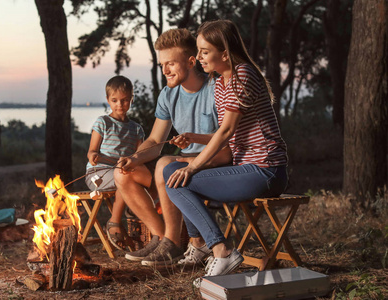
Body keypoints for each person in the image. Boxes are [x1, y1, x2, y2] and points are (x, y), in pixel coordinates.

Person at [163, 19, 288, 282]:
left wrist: (194, 166)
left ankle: (220, 250)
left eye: (204, 52)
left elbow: (227, 131)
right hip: (245, 169)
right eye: (198, 51)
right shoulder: (220, 83)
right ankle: (215, 248)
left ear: (225, 52)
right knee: (172, 170)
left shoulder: (243, 74)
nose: (197, 57)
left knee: (178, 180)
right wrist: (193, 137)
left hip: (266, 171)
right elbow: (226, 136)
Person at [114, 28, 230, 266]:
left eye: (171, 64)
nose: (165, 70)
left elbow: (227, 146)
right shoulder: (168, 94)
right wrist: (134, 158)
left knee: (166, 164)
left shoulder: (216, 89)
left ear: (190, 61)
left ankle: (174, 242)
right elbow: (156, 141)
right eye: (161, 65)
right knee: (123, 173)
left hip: (213, 164)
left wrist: (189, 153)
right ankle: (160, 237)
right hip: (182, 167)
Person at [85, 75, 144, 251]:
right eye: (115, 100)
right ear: (108, 100)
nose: (120, 104)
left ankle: (139, 225)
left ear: (131, 100)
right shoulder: (103, 122)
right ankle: (114, 223)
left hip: (123, 172)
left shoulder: (136, 129)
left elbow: (139, 157)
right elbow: (91, 151)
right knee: (123, 181)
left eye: (125, 100)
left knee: (130, 179)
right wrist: (94, 155)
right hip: (98, 173)